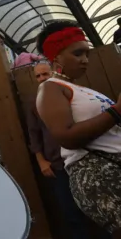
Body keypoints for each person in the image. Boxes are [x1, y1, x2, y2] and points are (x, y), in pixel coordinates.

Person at [36, 21, 121, 237]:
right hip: (98, 174)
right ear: (56, 57)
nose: (85, 60)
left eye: (87, 54)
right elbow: (66, 137)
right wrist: (116, 111)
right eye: (77, 53)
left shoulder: (80, 89)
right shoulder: (50, 88)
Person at [20, 55, 90, 239]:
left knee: (95, 209)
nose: (42, 78)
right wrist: (41, 161)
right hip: (56, 165)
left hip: (82, 158)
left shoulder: (68, 92)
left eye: (45, 73)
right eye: (38, 76)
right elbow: (33, 133)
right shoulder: (34, 102)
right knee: (70, 214)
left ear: (53, 72)